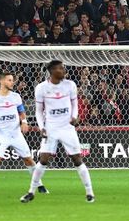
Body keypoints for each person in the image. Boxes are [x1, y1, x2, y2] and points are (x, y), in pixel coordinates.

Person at [21, 60, 95, 203]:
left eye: (63, 68)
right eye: (60, 68)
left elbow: (75, 104)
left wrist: (74, 117)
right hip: (51, 128)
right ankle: (31, 192)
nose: (63, 70)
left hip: (67, 127)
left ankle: (89, 192)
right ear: (52, 71)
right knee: (43, 160)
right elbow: (38, 111)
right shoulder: (41, 88)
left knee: (77, 160)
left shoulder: (70, 85)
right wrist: (41, 126)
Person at [0, 72, 47, 195]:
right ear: (2, 81)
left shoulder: (16, 96)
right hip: (1, 134)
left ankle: (40, 185)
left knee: (28, 159)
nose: (12, 82)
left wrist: (24, 122)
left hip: (16, 134)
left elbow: (21, 113)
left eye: (12, 80)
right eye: (10, 80)